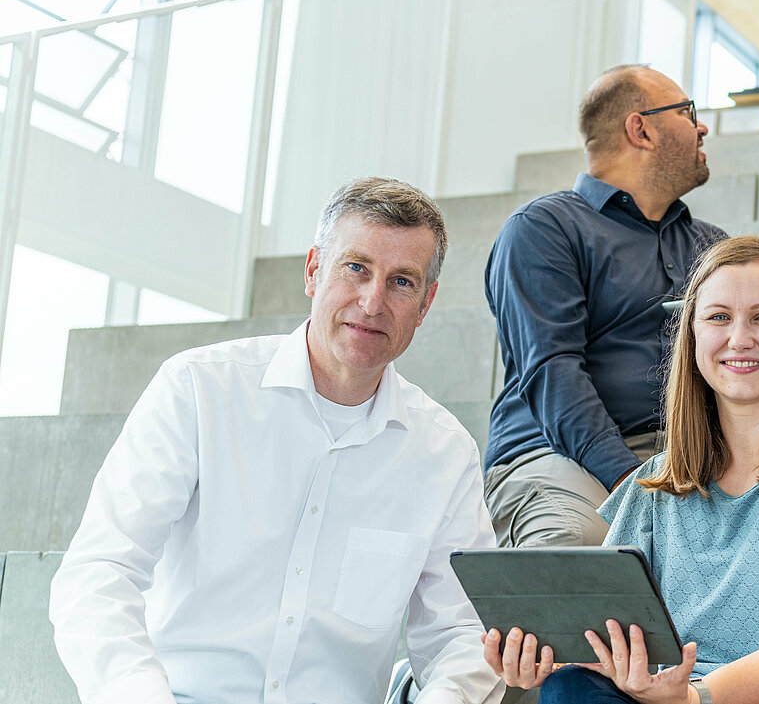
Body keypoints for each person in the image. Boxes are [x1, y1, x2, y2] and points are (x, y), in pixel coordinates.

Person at [50, 178, 504, 704]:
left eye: (402, 282)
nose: (372, 300)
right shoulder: (198, 389)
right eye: (356, 267)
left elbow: (459, 635)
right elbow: (99, 573)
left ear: (426, 305)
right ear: (314, 271)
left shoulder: (444, 453)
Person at [486, 236, 759, 704]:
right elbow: (611, 636)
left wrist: (692, 698)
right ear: (692, 336)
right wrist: (546, 654)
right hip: (668, 697)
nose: (739, 339)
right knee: (568, 685)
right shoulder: (652, 486)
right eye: (718, 318)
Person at [484, 64, 725, 548]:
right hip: (558, 453)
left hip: (688, 453)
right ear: (641, 129)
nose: (702, 127)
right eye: (687, 112)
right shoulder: (544, 228)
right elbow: (552, 372)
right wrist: (629, 483)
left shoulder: (713, 246)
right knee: (578, 548)